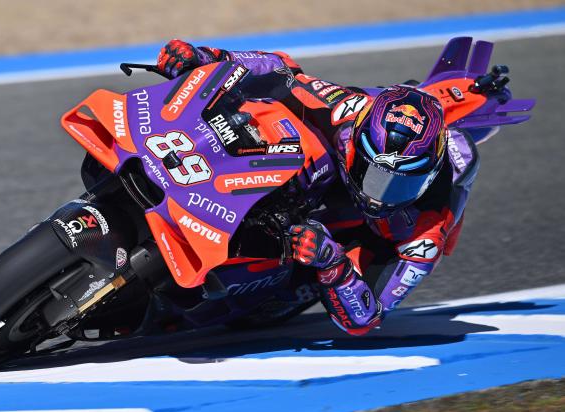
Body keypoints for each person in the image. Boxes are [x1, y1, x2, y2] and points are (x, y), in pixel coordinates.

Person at [157, 39, 481, 335]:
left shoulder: (429, 226)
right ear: (356, 145)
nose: (378, 194)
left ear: (427, 176)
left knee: (276, 290)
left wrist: (333, 264)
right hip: (337, 159)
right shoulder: (343, 110)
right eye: (373, 174)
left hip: (356, 238)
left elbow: (367, 317)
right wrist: (207, 58)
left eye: (399, 184)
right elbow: (281, 69)